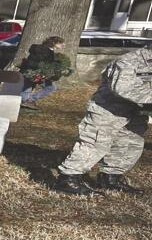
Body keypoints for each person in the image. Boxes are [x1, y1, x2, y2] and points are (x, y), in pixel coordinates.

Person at [52, 47, 152, 196]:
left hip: (136, 111)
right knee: (95, 143)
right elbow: (122, 87)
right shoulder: (129, 61)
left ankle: (110, 178)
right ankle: (68, 179)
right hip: (108, 109)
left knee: (129, 144)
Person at [18, 36, 65, 110]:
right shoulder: (46, 51)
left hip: (28, 71)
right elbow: (42, 63)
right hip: (36, 73)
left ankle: (23, 102)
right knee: (51, 87)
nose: (62, 45)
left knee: (28, 87)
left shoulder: (41, 49)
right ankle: (30, 100)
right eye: (60, 43)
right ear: (53, 43)